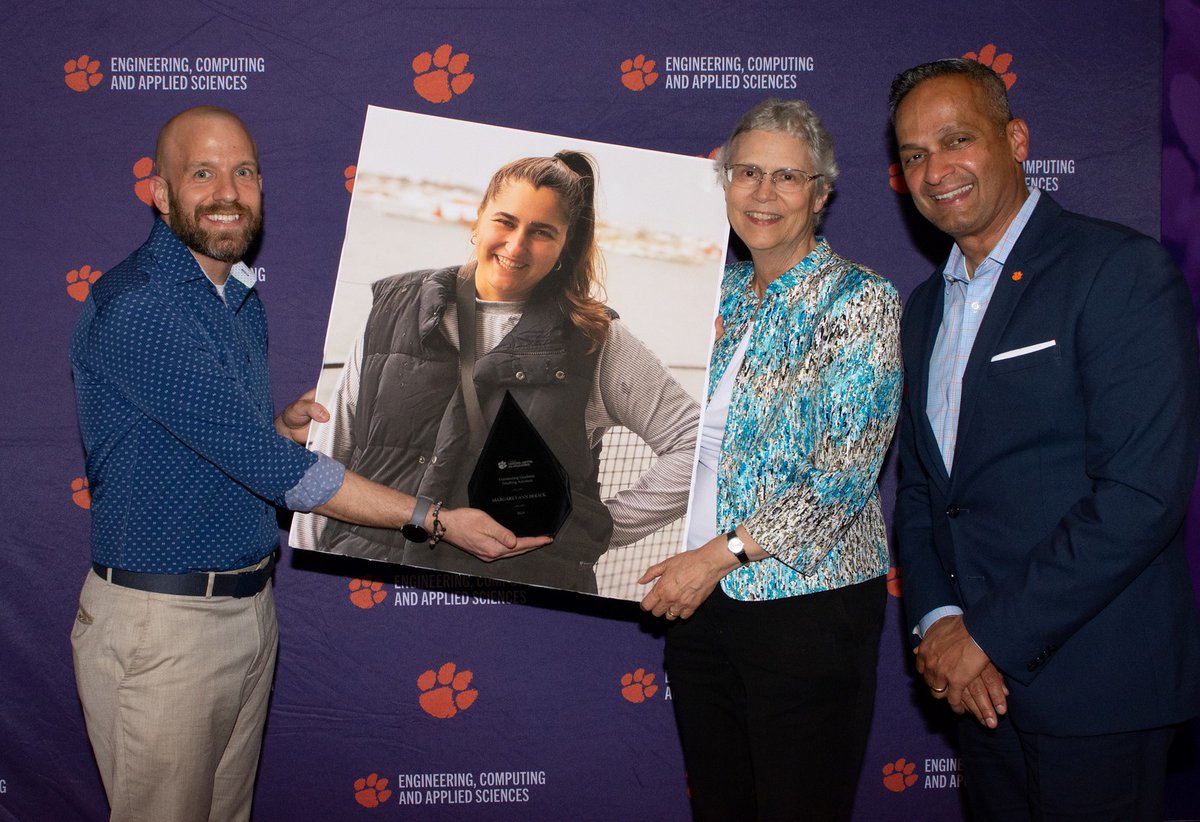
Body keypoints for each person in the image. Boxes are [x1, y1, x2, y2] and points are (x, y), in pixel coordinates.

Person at [69, 106, 546, 822]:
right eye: (202, 173)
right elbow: (272, 473)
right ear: (160, 194)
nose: (228, 190)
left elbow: (214, 443)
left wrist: (278, 431)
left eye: (245, 171)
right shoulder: (142, 307)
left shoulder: (234, 299)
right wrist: (435, 519)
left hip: (245, 611)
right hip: (162, 627)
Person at [890, 58, 1200, 820]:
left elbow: (1141, 495)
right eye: (913, 155)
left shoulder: (1117, 270)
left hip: (1096, 682)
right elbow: (930, 494)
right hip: (979, 692)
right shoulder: (924, 307)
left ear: (1017, 138)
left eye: (956, 140)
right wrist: (939, 626)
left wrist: (987, 635)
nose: (935, 171)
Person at [638, 98, 903, 820]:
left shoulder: (860, 300)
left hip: (806, 607)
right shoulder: (706, 293)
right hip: (697, 595)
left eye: (787, 177)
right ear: (722, 183)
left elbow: (843, 474)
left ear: (821, 194)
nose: (762, 193)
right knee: (722, 805)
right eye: (746, 171)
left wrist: (717, 556)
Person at [294, 151, 699, 595]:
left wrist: (587, 529)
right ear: (478, 219)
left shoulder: (594, 340)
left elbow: (694, 445)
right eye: (505, 221)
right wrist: (308, 572)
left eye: (542, 232)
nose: (517, 245)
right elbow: (335, 452)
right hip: (365, 574)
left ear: (567, 244)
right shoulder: (394, 306)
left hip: (520, 593)